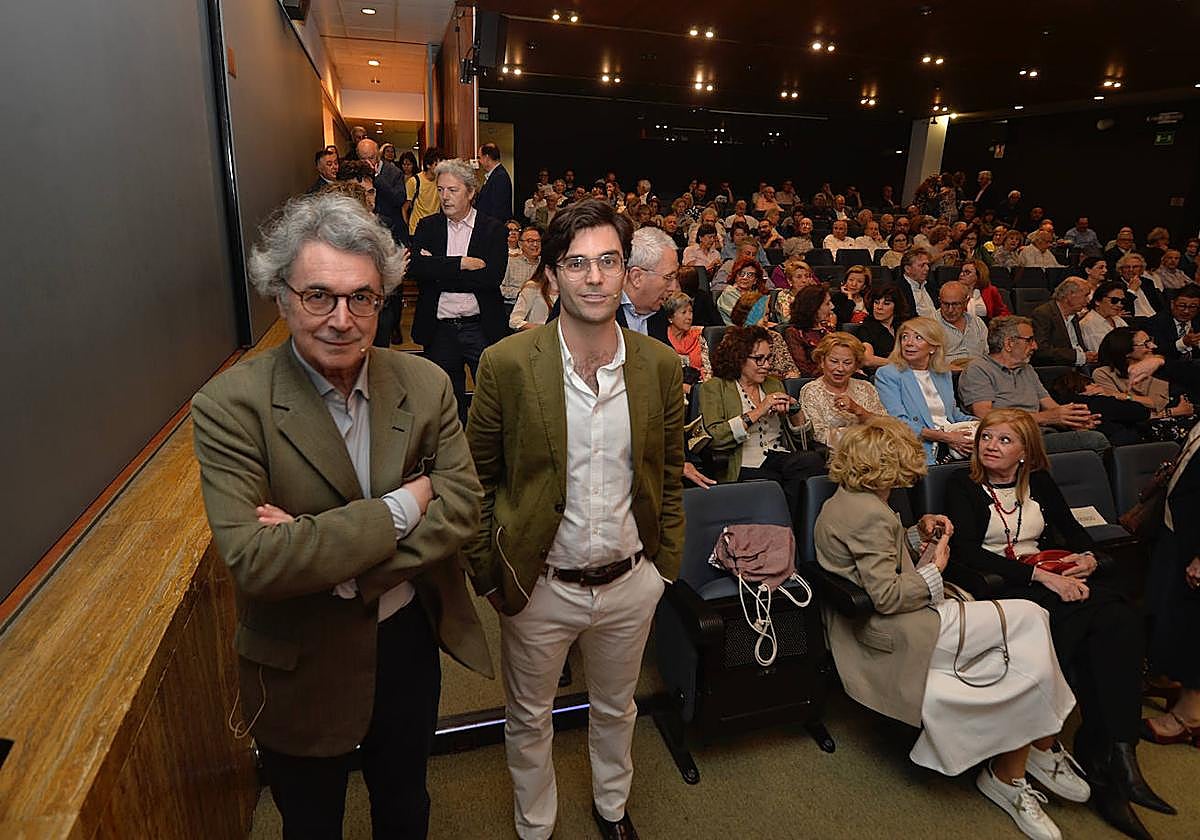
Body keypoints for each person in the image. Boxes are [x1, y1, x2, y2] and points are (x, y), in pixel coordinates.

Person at [191, 193, 491, 839]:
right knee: (310, 822)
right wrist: (404, 503)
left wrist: (337, 559)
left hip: (406, 643)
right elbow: (258, 561)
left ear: (384, 300)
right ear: (281, 295)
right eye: (319, 295)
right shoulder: (229, 405)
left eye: (362, 298)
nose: (341, 318)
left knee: (405, 805)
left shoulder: (425, 383)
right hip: (299, 657)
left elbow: (463, 506)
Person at [464, 198, 683, 840]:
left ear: (625, 273)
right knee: (529, 715)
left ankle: (612, 808)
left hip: (630, 583)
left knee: (617, 708)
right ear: (552, 276)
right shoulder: (508, 365)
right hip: (539, 586)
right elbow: (477, 478)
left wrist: (663, 569)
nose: (594, 277)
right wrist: (492, 571)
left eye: (607, 262)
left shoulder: (661, 367)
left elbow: (668, 474)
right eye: (577, 263)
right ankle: (537, 824)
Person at [815, 417, 1082, 840]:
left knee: (1024, 652)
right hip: (899, 629)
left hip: (905, 619)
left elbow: (878, 555)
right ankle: (1041, 747)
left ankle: (1017, 764)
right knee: (1034, 619)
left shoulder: (852, 500)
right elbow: (886, 596)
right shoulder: (869, 513)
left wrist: (915, 533)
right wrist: (935, 569)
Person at [946, 409, 1174, 838]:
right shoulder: (964, 485)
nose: (991, 446)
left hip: (1053, 578)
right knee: (1099, 623)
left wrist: (1088, 557)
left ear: (1026, 452)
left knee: (1118, 618)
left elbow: (1072, 531)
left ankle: (1116, 755)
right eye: (986, 438)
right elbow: (968, 554)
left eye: (1004, 440)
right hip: (1007, 585)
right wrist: (1042, 576)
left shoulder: (1041, 483)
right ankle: (1098, 759)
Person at [410, 158, 509, 425]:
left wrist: (439, 271)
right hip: (439, 329)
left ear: (470, 192)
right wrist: (461, 264)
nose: (445, 196)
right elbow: (416, 269)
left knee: (493, 400)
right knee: (446, 406)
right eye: (440, 190)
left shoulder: (493, 229)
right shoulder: (427, 227)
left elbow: (490, 278)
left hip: (480, 328)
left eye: (452, 190)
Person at [697, 325, 823, 517]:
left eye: (769, 358)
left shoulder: (773, 384)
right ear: (738, 358)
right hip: (743, 461)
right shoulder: (715, 387)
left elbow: (803, 440)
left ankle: (787, 523)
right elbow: (716, 437)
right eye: (758, 359)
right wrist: (759, 411)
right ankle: (790, 524)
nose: (766, 365)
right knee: (779, 483)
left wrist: (795, 412)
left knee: (811, 460)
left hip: (778, 456)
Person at [959, 316, 1109, 455]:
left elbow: (1050, 406)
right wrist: (1043, 418)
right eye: (1029, 340)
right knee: (1095, 441)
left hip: (1042, 432)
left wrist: (1074, 420)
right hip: (1013, 438)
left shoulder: (1027, 369)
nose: (1035, 346)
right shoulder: (978, 369)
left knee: (1105, 429)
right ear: (1009, 343)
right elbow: (984, 414)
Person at [1142, 421, 1200, 753]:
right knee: (1171, 613)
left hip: (1194, 545)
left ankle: (1189, 718)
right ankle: (1171, 680)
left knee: (1192, 624)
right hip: (1178, 533)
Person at [875, 318, 976, 463]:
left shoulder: (942, 373)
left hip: (951, 440)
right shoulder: (888, 374)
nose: (909, 343)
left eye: (918, 337)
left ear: (933, 347)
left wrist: (982, 424)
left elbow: (952, 414)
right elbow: (898, 422)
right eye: (905, 337)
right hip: (919, 446)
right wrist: (946, 438)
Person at [799, 332, 886, 448]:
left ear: (856, 365)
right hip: (836, 455)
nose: (840, 368)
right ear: (822, 361)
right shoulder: (811, 391)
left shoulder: (866, 387)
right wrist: (863, 440)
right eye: (834, 361)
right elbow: (818, 436)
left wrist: (858, 411)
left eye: (847, 363)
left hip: (876, 449)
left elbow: (886, 425)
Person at [1092, 328, 1193, 420]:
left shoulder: (1154, 367)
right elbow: (1119, 409)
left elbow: (1158, 402)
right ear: (1126, 351)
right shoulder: (1103, 373)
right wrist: (1172, 412)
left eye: (1150, 341)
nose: (1154, 346)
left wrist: (1124, 396)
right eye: (1145, 343)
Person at [1031, 277, 1095, 368]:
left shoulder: (1074, 316)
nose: (1088, 301)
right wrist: (1079, 356)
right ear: (1069, 295)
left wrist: (1087, 355)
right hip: (1057, 369)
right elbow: (1042, 351)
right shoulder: (1043, 314)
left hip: (1079, 366)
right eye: (1085, 295)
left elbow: (1076, 344)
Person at [783, 284, 836, 376]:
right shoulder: (794, 333)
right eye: (827, 303)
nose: (832, 307)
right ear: (814, 308)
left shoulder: (828, 329)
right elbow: (804, 369)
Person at [934, 280, 989, 368]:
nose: (950, 310)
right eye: (945, 304)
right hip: (947, 375)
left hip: (979, 373)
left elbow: (986, 354)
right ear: (940, 301)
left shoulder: (977, 323)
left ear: (966, 302)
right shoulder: (930, 325)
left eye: (956, 304)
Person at [664, 291, 711, 389]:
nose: (689, 317)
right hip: (673, 389)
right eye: (684, 312)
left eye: (691, 311)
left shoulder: (698, 336)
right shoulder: (663, 339)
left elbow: (707, 368)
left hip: (699, 387)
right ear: (670, 317)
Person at [859, 282, 909, 369]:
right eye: (876, 302)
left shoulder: (903, 326)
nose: (879, 307)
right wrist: (899, 364)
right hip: (883, 373)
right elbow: (868, 359)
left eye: (886, 304)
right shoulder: (866, 328)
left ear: (896, 306)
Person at [1078, 281, 1130, 354]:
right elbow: (1102, 354)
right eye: (1114, 300)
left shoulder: (1117, 319)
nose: (1119, 305)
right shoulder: (1088, 325)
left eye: (1123, 301)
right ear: (1097, 301)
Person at [502, 226, 542, 314]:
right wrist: (523, 293)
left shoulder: (545, 265)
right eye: (530, 241)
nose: (535, 245)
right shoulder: (510, 262)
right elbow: (501, 288)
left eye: (538, 241)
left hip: (539, 309)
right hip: (512, 308)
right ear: (520, 244)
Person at [717, 257, 768, 326]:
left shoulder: (756, 294)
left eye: (750, 275)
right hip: (736, 331)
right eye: (741, 274)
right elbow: (743, 319)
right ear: (735, 277)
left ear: (755, 280)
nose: (745, 278)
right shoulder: (729, 293)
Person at [509, 260, 557, 332]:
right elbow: (514, 321)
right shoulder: (532, 288)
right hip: (538, 336)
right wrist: (543, 329)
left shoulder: (569, 291)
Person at [407, 147, 444, 237]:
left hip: (435, 227)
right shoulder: (414, 181)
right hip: (417, 227)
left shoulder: (441, 180)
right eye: (436, 164)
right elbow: (405, 207)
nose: (440, 168)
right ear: (428, 165)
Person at [475, 142, 513, 222]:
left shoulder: (500, 177)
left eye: (479, 157)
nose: (478, 161)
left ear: (486, 158)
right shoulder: (495, 175)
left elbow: (498, 209)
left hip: (494, 227)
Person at [899, 248, 937, 318]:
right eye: (922, 265)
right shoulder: (898, 289)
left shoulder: (931, 286)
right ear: (907, 269)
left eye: (927, 265)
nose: (927, 268)